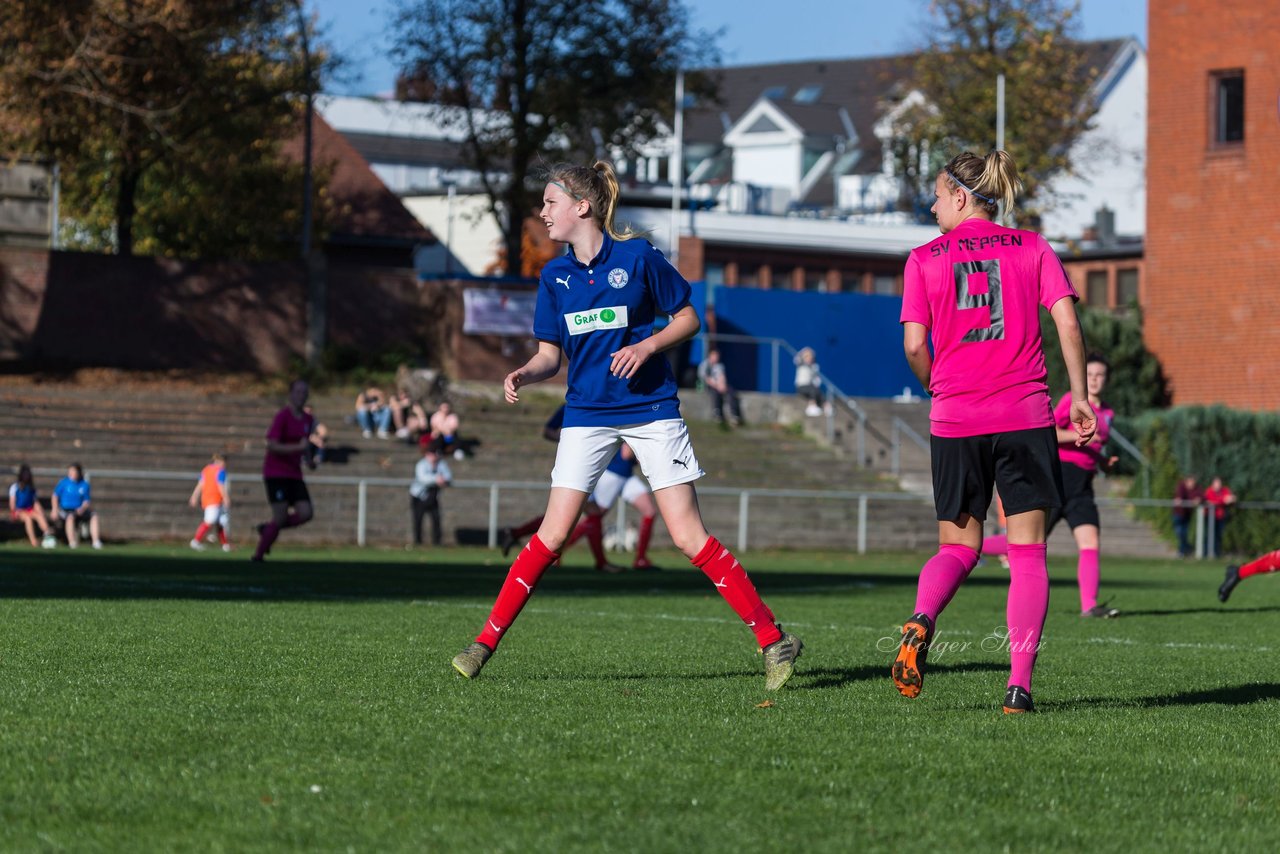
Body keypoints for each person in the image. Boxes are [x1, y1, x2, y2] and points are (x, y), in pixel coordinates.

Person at [450, 159, 802, 691]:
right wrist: (526, 370)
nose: (542, 213)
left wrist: (646, 344)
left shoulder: (638, 258)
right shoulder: (554, 276)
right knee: (552, 534)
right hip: (586, 415)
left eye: (549, 202)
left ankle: (774, 641)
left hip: (652, 410)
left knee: (687, 537)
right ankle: (482, 644)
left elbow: (687, 317)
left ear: (581, 207)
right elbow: (551, 355)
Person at [894, 149, 1096, 715]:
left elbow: (914, 345)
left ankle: (922, 619)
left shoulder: (922, 259)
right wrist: (1079, 396)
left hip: (956, 418)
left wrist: (939, 387)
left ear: (961, 196)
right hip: (1026, 415)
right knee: (1029, 552)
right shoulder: (1032, 247)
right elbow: (1068, 323)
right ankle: (1019, 687)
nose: (932, 207)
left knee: (958, 546)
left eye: (936, 196)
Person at [1044, 353, 1121, 618]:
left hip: (1083, 485)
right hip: (1059, 478)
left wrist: (1103, 461)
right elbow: (1049, 431)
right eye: (1089, 375)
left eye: (1100, 375)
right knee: (1027, 540)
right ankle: (976, 546)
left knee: (1090, 542)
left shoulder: (1108, 412)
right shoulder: (1072, 401)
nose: (1095, 379)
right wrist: (1080, 435)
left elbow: (1093, 444)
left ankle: (1089, 606)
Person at [251, 379, 316, 562]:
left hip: (295, 473)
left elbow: (305, 445)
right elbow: (272, 445)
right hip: (276, 473)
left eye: (304, 392)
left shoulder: (308, 419)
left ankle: (267, 529)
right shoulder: (282, 417)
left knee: (306, 513)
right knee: (279, 517)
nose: (301, 396)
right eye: (298, 392)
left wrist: (309, 461)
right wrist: (297, 448)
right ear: (290, 394)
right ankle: (258, 555)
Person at [51, 462, 104, 549]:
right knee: (70, 517)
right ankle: (72, 542)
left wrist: (82, 509)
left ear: (79, 472)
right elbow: (55, 496)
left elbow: (86, 501)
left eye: (73, 471)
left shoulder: (84, 485)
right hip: (66, 510)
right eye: (70, 471)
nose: (71, 473)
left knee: (94, 516)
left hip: (79, 510)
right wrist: (54, 509)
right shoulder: (64, 483)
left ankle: (96, 541)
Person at [410, 442, 452, 546]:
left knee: (436, 519)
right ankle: (418, 542)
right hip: (419, 496)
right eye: (432, 453)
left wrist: (443, 479)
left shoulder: (441, 464)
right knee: (418, 520)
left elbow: (448, 476)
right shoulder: (421, 464)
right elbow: (422, 478)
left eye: (436, 453)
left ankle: (437, 542)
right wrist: (436, 479)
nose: (434, 456)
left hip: (433, 496)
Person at [188, 453, 232, 552]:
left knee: (219, 523)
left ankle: (225, 545)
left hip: (207, 498)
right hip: (214, 499)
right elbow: (220, 485)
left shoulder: (206, 469)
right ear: (220, 462)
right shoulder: (220, 471)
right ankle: (195, 541)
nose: (225, 465)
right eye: (224, 463)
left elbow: (200, 484)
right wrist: (226, 498)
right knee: (210, 521)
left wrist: (194, 496)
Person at [9, 463, 55, 548]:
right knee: (28, 518)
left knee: (39, 515)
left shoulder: (31, 488)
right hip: (18, 511)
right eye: (24, 474)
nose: (26, 476)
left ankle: (48, 534)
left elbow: (35, 502)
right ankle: (33, 541)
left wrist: (40, 510)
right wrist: (15, 511)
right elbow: (12, 504)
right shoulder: (15, 487)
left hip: (29, 510)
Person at [697, 348, 744, 427]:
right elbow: (705, 378)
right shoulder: (704, 364)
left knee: (731, 391)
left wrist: (723, 385)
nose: (716, 357)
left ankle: (734, 415)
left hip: (718, 385)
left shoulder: (719, 365)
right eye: (714, 356)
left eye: (717, 356)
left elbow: (721, 376)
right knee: (715, 392)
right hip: (707, 386)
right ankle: (717, 413)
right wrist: (717, 386)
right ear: (710, 356)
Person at [1202, 476, 1236, 558]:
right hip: (1210, 516)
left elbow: (1231, 498)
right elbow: (1211, 501)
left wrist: (1232, 499)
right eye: (1216, 483)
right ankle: (1205, 553)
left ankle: (1217, 553)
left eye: (1219, 483)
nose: (1218, 485)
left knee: (1218, 535)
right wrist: (1223, 500)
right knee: (1209, 534)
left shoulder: (1225, 490)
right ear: (1213, 484)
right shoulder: (1209, 491)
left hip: (1220, 517)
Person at [1172, 474, 1202, 558]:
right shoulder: (1181, 486)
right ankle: (1187, 548)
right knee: (1179, 533)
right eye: (1190, 482)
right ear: (1187, 481)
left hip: (1187, 514)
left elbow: (1200, 495)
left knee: (1183, 533)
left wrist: (1198, 499)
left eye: (1193, 482)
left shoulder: (1196, 488)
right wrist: (1179, 499)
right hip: (1178, 513)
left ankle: (1182, 551)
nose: (1192, 484)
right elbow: (1179, 496)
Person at [793, 347, 827, 416]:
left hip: (810, 386)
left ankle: (827, 407)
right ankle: (811, 407)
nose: (809, 358)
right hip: (801, 386)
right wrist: (806, 351)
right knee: (813, 389)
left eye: (810, 356)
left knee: (819, 392)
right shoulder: (800, 363)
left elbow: (817, 380)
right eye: (807, 356)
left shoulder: (814, 366)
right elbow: (796, 358)